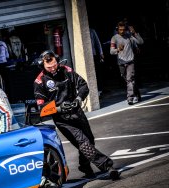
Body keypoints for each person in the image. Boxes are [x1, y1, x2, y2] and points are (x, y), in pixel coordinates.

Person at [33, 50, 120, 180]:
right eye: (49, 67)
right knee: (83, 142)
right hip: (62, 119)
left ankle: (84, 166)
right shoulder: (39, 82)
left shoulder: (66, 70)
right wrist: (59, 108)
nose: (53, 68)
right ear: (42, 65)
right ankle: (107, 166)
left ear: (57, 60)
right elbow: (41, 107)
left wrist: (79, 99)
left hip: (77, 112)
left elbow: (83, 85)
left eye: (54, 65)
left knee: (89, 140)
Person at [110, 21, 144, 105]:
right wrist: (118, 49)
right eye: (120, 30)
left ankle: (130, 98)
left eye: (123, 30)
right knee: (128, 81)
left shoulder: (129, 36)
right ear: (117, 29)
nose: (122, 31)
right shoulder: (114, 38)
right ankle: (137, 92)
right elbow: (111, 51)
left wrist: (134, 33)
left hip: (130, 61)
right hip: (121, 62)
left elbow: (140, 42)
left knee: (129, 80)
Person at [90, 28, 104, 95]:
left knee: (97, 72)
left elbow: (97, 42)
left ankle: (100, 90)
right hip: (87, 56)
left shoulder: (92, 31)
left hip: (94, 54)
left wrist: (101, 53)